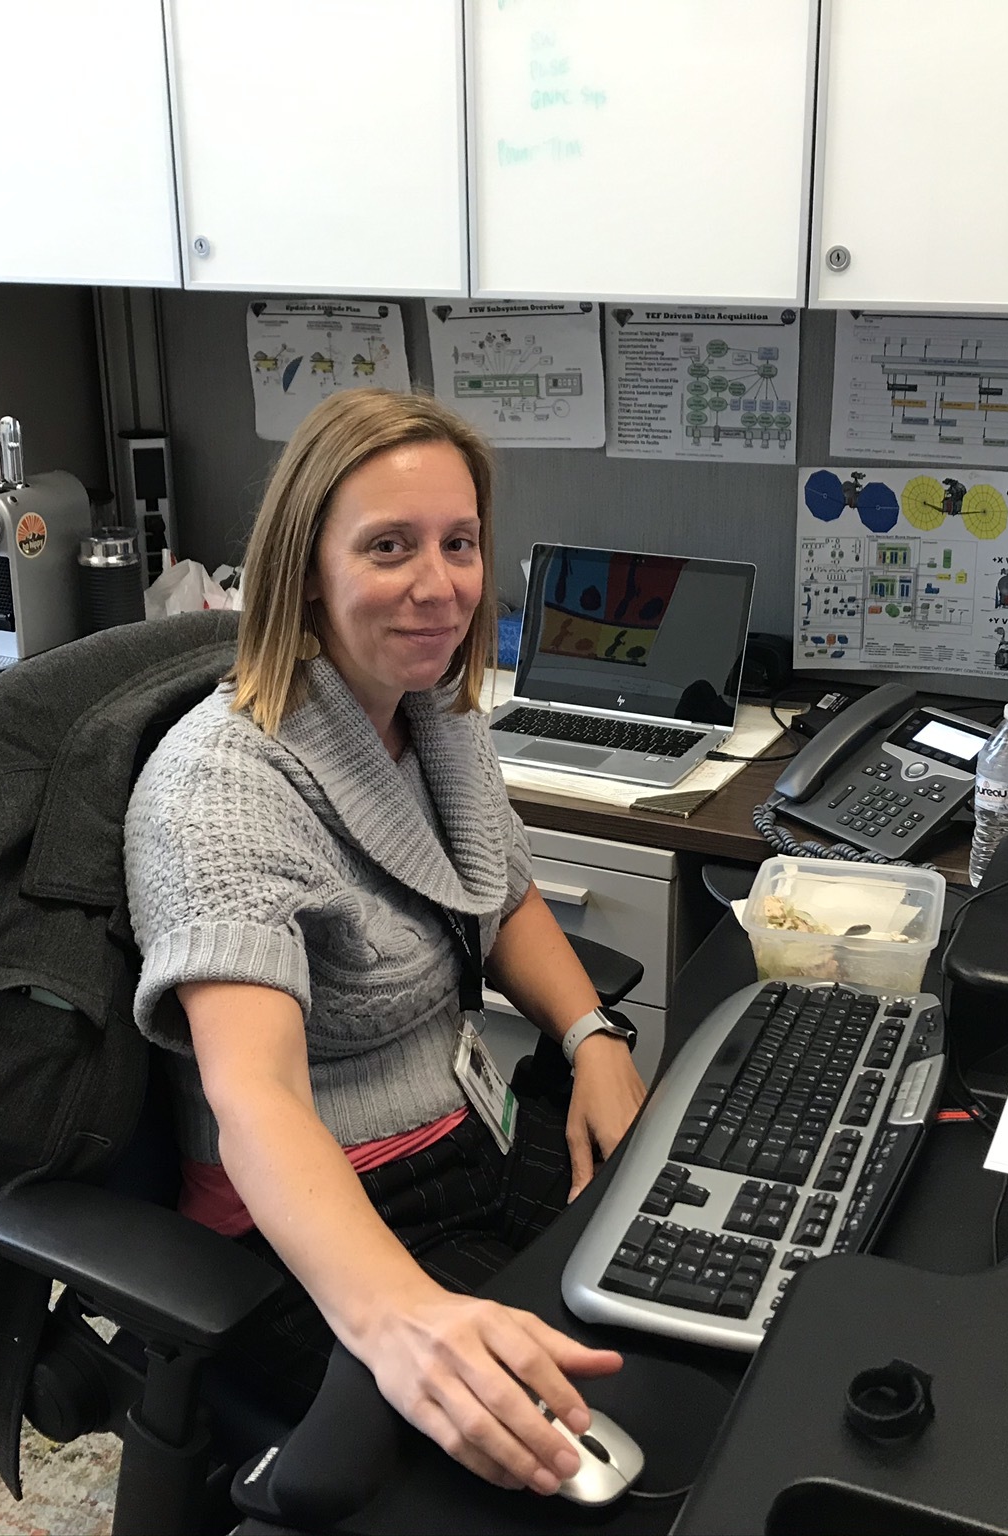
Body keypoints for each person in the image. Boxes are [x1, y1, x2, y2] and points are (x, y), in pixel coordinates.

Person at [123, 388, 650, 1497]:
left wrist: (592, 1035)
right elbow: (254, 1094)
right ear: (306, 568)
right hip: (319, 1224)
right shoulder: (220, 787)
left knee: (676, 1301)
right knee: (553, 1457)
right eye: (389, 546)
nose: (440, 584)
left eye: (460, 543)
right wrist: (398, 1317)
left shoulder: (432, 715)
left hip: (466, 1133)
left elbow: (499, 895)